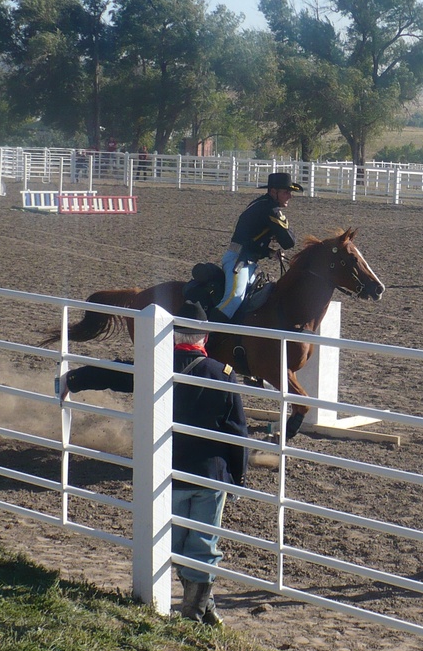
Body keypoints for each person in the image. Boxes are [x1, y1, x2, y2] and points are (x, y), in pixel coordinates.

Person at [62, 301, 248, 624]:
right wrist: (237, 480)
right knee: (204, 544)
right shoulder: (223, 375)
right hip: (211, 477)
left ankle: (200, 608)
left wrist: (74, 379)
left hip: (169, 476)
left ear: (172, 336)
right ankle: (197, 611)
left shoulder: (154, 368)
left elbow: (112, 373)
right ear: (204, 338)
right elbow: (238, 436)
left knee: (173, 543)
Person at [212, 171, 301, 324]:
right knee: (234, 298)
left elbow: (252, 242)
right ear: (274, 192)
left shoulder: (261, 204)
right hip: (238, 261)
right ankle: (203, 336)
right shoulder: (270, 209)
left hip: (247, 260)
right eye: (286, 192)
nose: (290, 196)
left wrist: (270, 253)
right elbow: (289, 242)